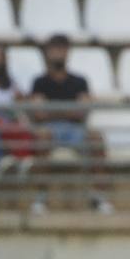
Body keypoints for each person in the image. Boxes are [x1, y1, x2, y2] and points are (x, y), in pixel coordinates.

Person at [30, 33, 112, 213]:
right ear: (47, 53)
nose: (58, 53)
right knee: (42, 137)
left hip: (75, 129)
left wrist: (52, 110)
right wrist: (69, 110)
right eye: (55, 49)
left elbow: (82, 112)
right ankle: (41, 198)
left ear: (68, 53)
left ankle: (98, 197)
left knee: (96, 138)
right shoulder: (39, 82)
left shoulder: (80, 81)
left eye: (62, 49)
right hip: (51, 130)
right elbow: (39, 114)